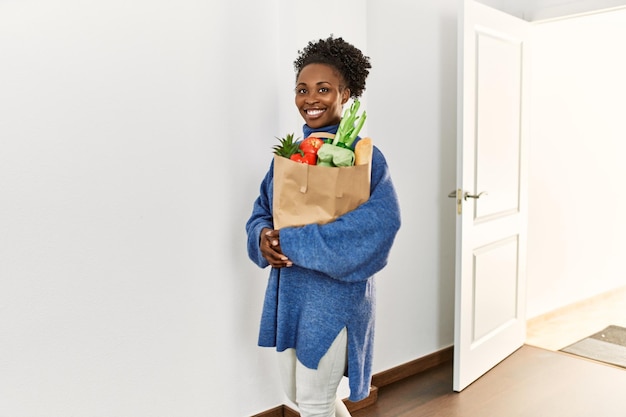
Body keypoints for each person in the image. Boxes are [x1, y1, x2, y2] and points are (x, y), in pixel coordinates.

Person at [246, 35, 401, 417]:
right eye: (302, 89)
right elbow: (262, 211)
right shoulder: (288, 157)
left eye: (323, 89)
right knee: (304, 399)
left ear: (345, 94)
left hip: (333, 300)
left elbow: (381, 224)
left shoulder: (363, 158)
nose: (310, 98)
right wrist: (262, 237)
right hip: (291, 294)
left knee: (314, 404)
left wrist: (294, 243)